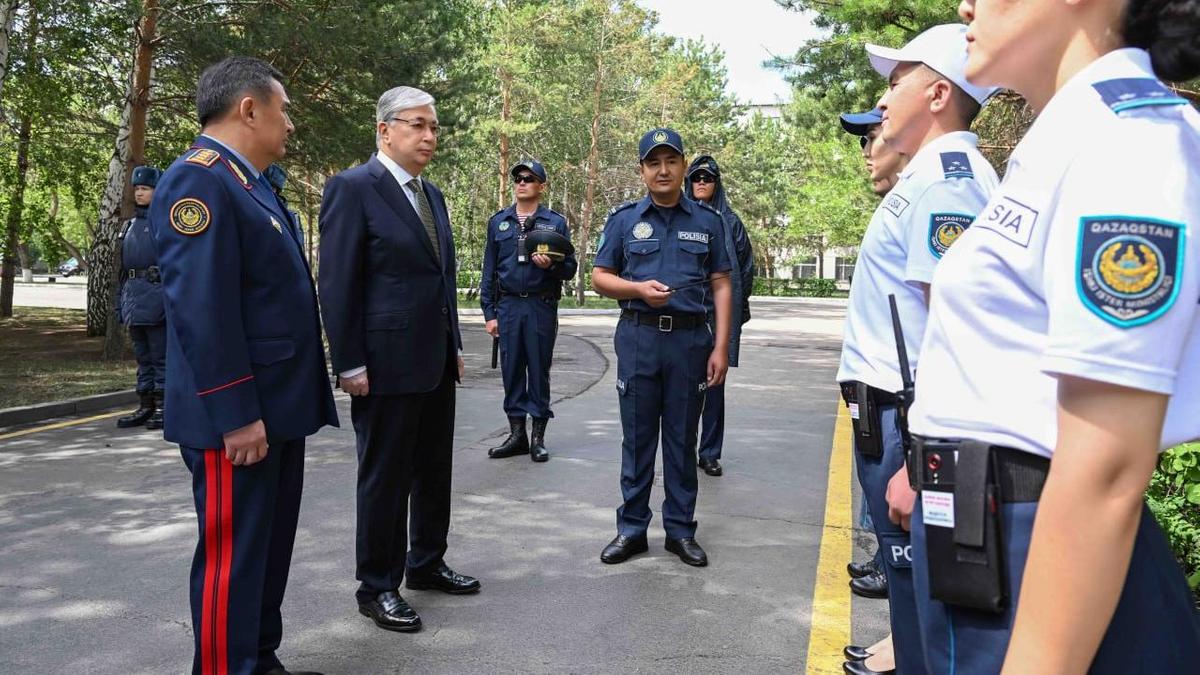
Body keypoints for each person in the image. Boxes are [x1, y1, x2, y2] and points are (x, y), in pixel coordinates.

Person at [900, 1, 1200, 671]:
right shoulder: (1068, 136)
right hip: (984, 541)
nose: (964, 6)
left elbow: (1108, 466)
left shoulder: (1132, 142)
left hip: (1037, 550)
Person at [149, 56, 338, 675]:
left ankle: (258, 655)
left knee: (266, 548)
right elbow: (202, 311)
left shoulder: (251, 181)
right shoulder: (199, 181)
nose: (289, 126)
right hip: (240, 414)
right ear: (249, 109)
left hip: (274, 407)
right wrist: (235, 414)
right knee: (234, 555)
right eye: (283, 111)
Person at [835, 24, 1000, 675]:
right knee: (913, 609)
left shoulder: (945, 184)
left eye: (896, 80)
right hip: (898, 424)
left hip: (907, 429)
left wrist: (919, 460)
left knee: (923, 617)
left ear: (937, 93)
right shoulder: (935, 176)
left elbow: (952, 328)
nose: (883, 98)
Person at [319, 86, 478, 635]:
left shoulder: (431, 196)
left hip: (434, 361)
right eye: (417, 125)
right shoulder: (352, 189)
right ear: (385, 130)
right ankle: (378, 585)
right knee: (385, 476)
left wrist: (455, 343)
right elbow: (338, 284)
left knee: (434, 469)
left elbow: (443, 281)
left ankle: (426, 563)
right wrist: (350, 362)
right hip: (383, 364)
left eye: (434, 127)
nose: (429, 136)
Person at [592, 128, 733, 567]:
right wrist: (635, 288)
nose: (663, 169)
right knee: (636, 439)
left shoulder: (709, 222)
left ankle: (680, 530)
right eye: (653, 162)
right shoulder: (624, 220)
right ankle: (631, 529)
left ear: (684, 166)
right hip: (640, 337)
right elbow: (600, 277)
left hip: (691, 341)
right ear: (642, 170)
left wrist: (722, 347)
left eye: (671, 160)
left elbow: (723, 283)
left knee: (681, 438)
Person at [837, 106, 911, 675]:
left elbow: (944, 323)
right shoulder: (908, 194)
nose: (866, 148)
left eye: (874, 135)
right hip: (880, 402)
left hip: (901, 409)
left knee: (907, 544)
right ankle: (903, 641)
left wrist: (921, 456)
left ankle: (910, 650)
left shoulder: (935, 192)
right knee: (896, 544)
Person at [479, 159, 578, 462]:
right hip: (508, 306)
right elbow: (489, 270)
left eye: (529, 178)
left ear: (541, 186)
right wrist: (489, 313)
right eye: (518, 178)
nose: (522, 183)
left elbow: (570, 268)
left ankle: (538, 437)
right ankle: (516, 435)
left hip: (540, 305)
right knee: (511, 370)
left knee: (538, 368)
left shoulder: (554, 223)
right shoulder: (500, 222)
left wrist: (554, 265)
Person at [683, 155, 753, 478]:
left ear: (716, 183)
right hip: (686, 312)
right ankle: (682, 449)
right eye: (696, 177)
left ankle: (709, 452)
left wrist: (736, 309)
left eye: (707, 178)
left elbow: (746, 267)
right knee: (682, 388)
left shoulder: (731, 222)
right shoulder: (678, 218)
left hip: (717, 316)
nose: (701, 182)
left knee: (714, 386)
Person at [115, 165, 166, 431]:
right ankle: (145, 404)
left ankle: (163, 406)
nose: (139, 193)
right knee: (143, 357)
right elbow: (122, 271)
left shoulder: (165, 223)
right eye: (137, 189)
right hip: (134, 298)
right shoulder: (129, 225)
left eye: (145, 188)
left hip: (157, 299)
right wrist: (119, 304)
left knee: (160, 358)